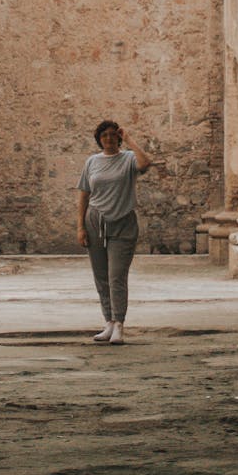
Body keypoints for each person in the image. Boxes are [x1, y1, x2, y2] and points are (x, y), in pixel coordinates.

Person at [76, 120, 153, 345]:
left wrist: (129, 139)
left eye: (112, 135)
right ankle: (108, 322)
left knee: (116, 275)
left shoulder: (129, 158)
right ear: (99, 139)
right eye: (104, 136)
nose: (108, 139)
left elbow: (146, 163)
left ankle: (119, 323)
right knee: (100, 276)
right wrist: (80, 226)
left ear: (118, 137)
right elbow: (83, 195)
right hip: (94, 222)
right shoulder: (92, 162)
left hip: (122, 222)